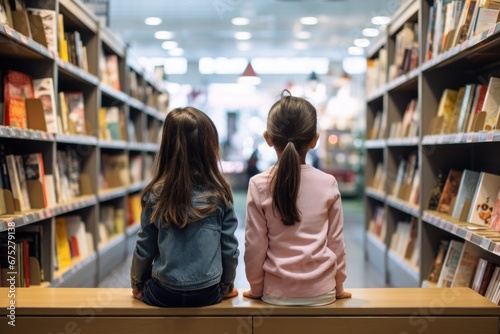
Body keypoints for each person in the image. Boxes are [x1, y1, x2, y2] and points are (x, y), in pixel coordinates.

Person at [243, 90, 351, 306]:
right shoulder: (328, 183)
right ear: (314, 140)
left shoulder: (259, 184)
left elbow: (254, 246)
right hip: (322, 293)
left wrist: (256, 289)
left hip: (275, 295)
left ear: (268, 139)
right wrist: (338, 288)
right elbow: (335, 242)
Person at [130, 106, 239, 307]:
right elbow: (229, 248)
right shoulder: (220, 194)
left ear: (167, 147)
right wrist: (227, 285)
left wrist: (137, 284)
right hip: (208, 292)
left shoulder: (155, 194)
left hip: (163, 293)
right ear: (209, 149)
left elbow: (145, 245)